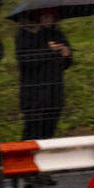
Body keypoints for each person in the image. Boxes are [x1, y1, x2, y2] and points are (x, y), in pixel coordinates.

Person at [14, 8, 73, 140]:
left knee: (49, 132)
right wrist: (49, 51)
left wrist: (66, 55)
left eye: (51, 17)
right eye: (45, 16)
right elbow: (25, 60)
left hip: (54, 93)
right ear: (38, 17)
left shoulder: (57, 34)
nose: (48, 20)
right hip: (33, 95)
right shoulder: (25, 34)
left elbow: (67, 63)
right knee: (32, 133)